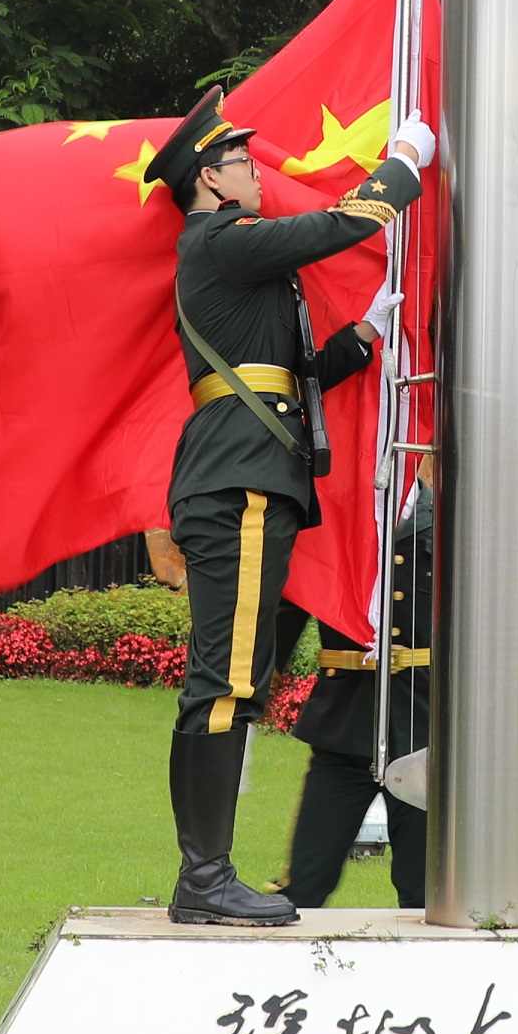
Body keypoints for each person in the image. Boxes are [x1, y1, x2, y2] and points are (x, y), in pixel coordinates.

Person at [150, 83, 432, 925]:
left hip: (250, 477)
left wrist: (363, 336)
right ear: (209, 178)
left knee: (234, 680)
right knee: (225, 681)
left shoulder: (230, 254)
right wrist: (402, 164)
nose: (256, 172)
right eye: (242, 161)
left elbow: (292, 377)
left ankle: (205, 875)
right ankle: (204, 878)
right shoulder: (221, 238)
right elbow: (334, 227)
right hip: (237, 484)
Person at [281, 485, 432, 912]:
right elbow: (294, 598)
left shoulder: (450, 519)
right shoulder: (335, 520)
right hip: (346, 723)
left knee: (428, 893)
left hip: (423, 729)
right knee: (304, 886)